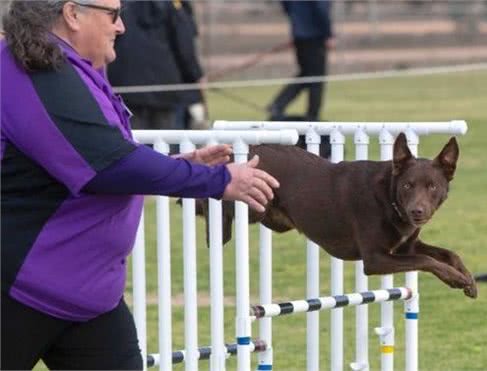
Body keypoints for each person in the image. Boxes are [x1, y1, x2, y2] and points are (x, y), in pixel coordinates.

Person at [0, 1, 278, 370]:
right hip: (20, 289)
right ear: (72, 14)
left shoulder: (65, 68)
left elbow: (95, 158)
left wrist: (176, 166)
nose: (121, 28)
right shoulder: (35, 70)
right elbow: (108, 165)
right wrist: (219, 180)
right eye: (113, 15)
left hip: (87, 293)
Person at [107, 0, 206, 131]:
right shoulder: (172, 5)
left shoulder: (121, 4)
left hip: (126, 84)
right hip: (164, 86)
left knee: (132, 141)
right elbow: (184, 44)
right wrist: (195, 75)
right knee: (166, 143)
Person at [267, 0, 334, 122]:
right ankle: (313, 117)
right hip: (315, 35)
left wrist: (297, 21)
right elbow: (320, 8)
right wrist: (327, 33)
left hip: (299, 33)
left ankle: (277, 105)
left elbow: (286, 4)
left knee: (306, 73)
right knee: (317, 78)